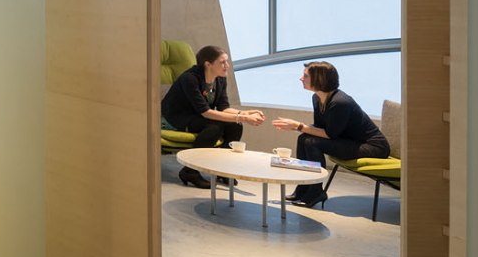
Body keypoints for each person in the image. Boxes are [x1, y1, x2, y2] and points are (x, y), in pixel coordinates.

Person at [273, 61, 390, 207]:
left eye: (306, 76)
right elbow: (319, 128)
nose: (301, 78)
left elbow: (330, 134)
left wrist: (298, 125)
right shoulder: (317, 98)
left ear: (319, 79)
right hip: (349, 141)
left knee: (311, 142)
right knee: (304, 138)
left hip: (373, 147)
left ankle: (316, 192)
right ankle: (303, 188)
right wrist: (299, 128)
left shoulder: (340, 102)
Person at [161, 46, 265, 189]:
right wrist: (243, 118)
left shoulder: (220, 79)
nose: (227, 66)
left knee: (235, 125)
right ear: (208, 64)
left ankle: (221, 168)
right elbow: (206, 112)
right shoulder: (190, 78)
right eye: (222, 62)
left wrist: (244, 113)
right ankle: (190, 171)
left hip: (198, 115)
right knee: (214, 127)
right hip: (177, 117)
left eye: (227, 62)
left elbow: (224, 107)